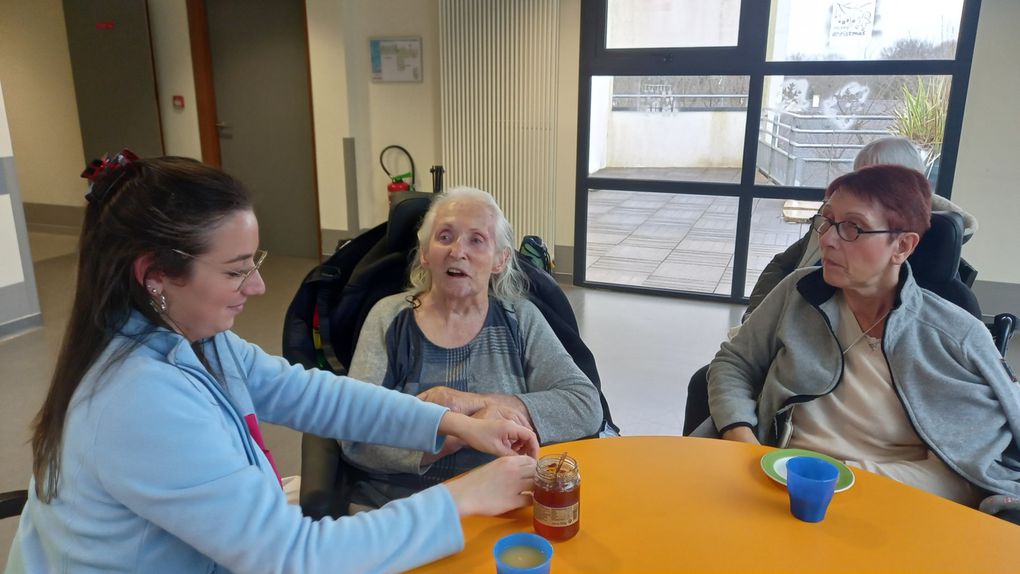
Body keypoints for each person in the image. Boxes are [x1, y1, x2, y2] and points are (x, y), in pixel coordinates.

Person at [5, 152, 540, 574]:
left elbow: (312, 394)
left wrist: (452, 424)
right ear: (155, 275)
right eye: (237, 270)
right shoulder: (136, 399)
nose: (258, 286)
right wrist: (463, 496)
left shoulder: (192, 336)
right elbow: (295, 558)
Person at [706, 164, 1020, 512]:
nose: (826, 239)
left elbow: (971, 469)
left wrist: (850, 480)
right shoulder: (798, 292)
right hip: (781, 480)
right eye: (826, 220)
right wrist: (741, 436)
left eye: (853, 228)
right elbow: (733, 362)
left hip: (893, 504)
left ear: (902, 245)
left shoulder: (955, 335)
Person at [340, 186, 603, 510]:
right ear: (425, 252)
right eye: (445, 237)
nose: (457, 251)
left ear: (500, 259)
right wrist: (458, 433)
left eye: (476, 240)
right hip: (403, 509)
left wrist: (475, 404)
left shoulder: (519, 319)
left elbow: (585, 404)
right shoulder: (389, 318)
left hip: (504, 506)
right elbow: (355, 431)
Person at [743, 136, 977, 321]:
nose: (829, 239)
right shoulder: (830, 224)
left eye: (876, 182)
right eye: (858, 177)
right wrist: (757, 316)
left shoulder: (937, 287)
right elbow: (783, 264)